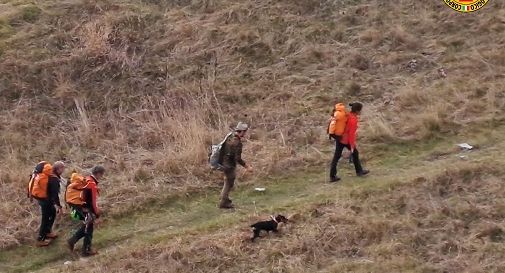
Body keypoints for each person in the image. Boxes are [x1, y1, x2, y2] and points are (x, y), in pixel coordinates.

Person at [67, 165, 105, 256]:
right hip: (81, 206)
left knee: (88, 224)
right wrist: (96, 213)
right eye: (102, 174)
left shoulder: (86, 180)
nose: (102, 176)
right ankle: (86, 250)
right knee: (89, 226)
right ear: (99, 174)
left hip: (76, 206)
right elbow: (92, 202)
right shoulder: (92, 184)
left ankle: (72, 241)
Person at [329, 102, 369, 182]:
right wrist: (352, 145)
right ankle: (359, 171)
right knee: (355, 153)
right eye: (360, 110)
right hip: (345, 140)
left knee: (336, 157)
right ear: (357, 111)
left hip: (339, 138)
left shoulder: (348, 114)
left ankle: (332, 176)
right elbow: (350, 134)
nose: (361, 112)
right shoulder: (353, 119)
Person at [219, 122, 253, 209]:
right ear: (241, 132)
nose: (245, 133)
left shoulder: (230, 137)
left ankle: (225, 200)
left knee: (227, 182)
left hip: (223, 163)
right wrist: (247, 166)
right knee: (228, 184)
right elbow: (238, 159)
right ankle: (224, 203)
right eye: (244, 131)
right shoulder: (237, 143)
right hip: (229, 166)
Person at [36, 161, 65, 247]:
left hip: (42, 199)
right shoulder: (54, 179)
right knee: (45, 218)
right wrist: (60, 206)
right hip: (45, 200)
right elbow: (55, 195)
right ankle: (40, 239)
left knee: (52, 212)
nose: (64, 169)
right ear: (59, 169)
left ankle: (48, 232)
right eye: (63, 168)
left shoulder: (50, 175)